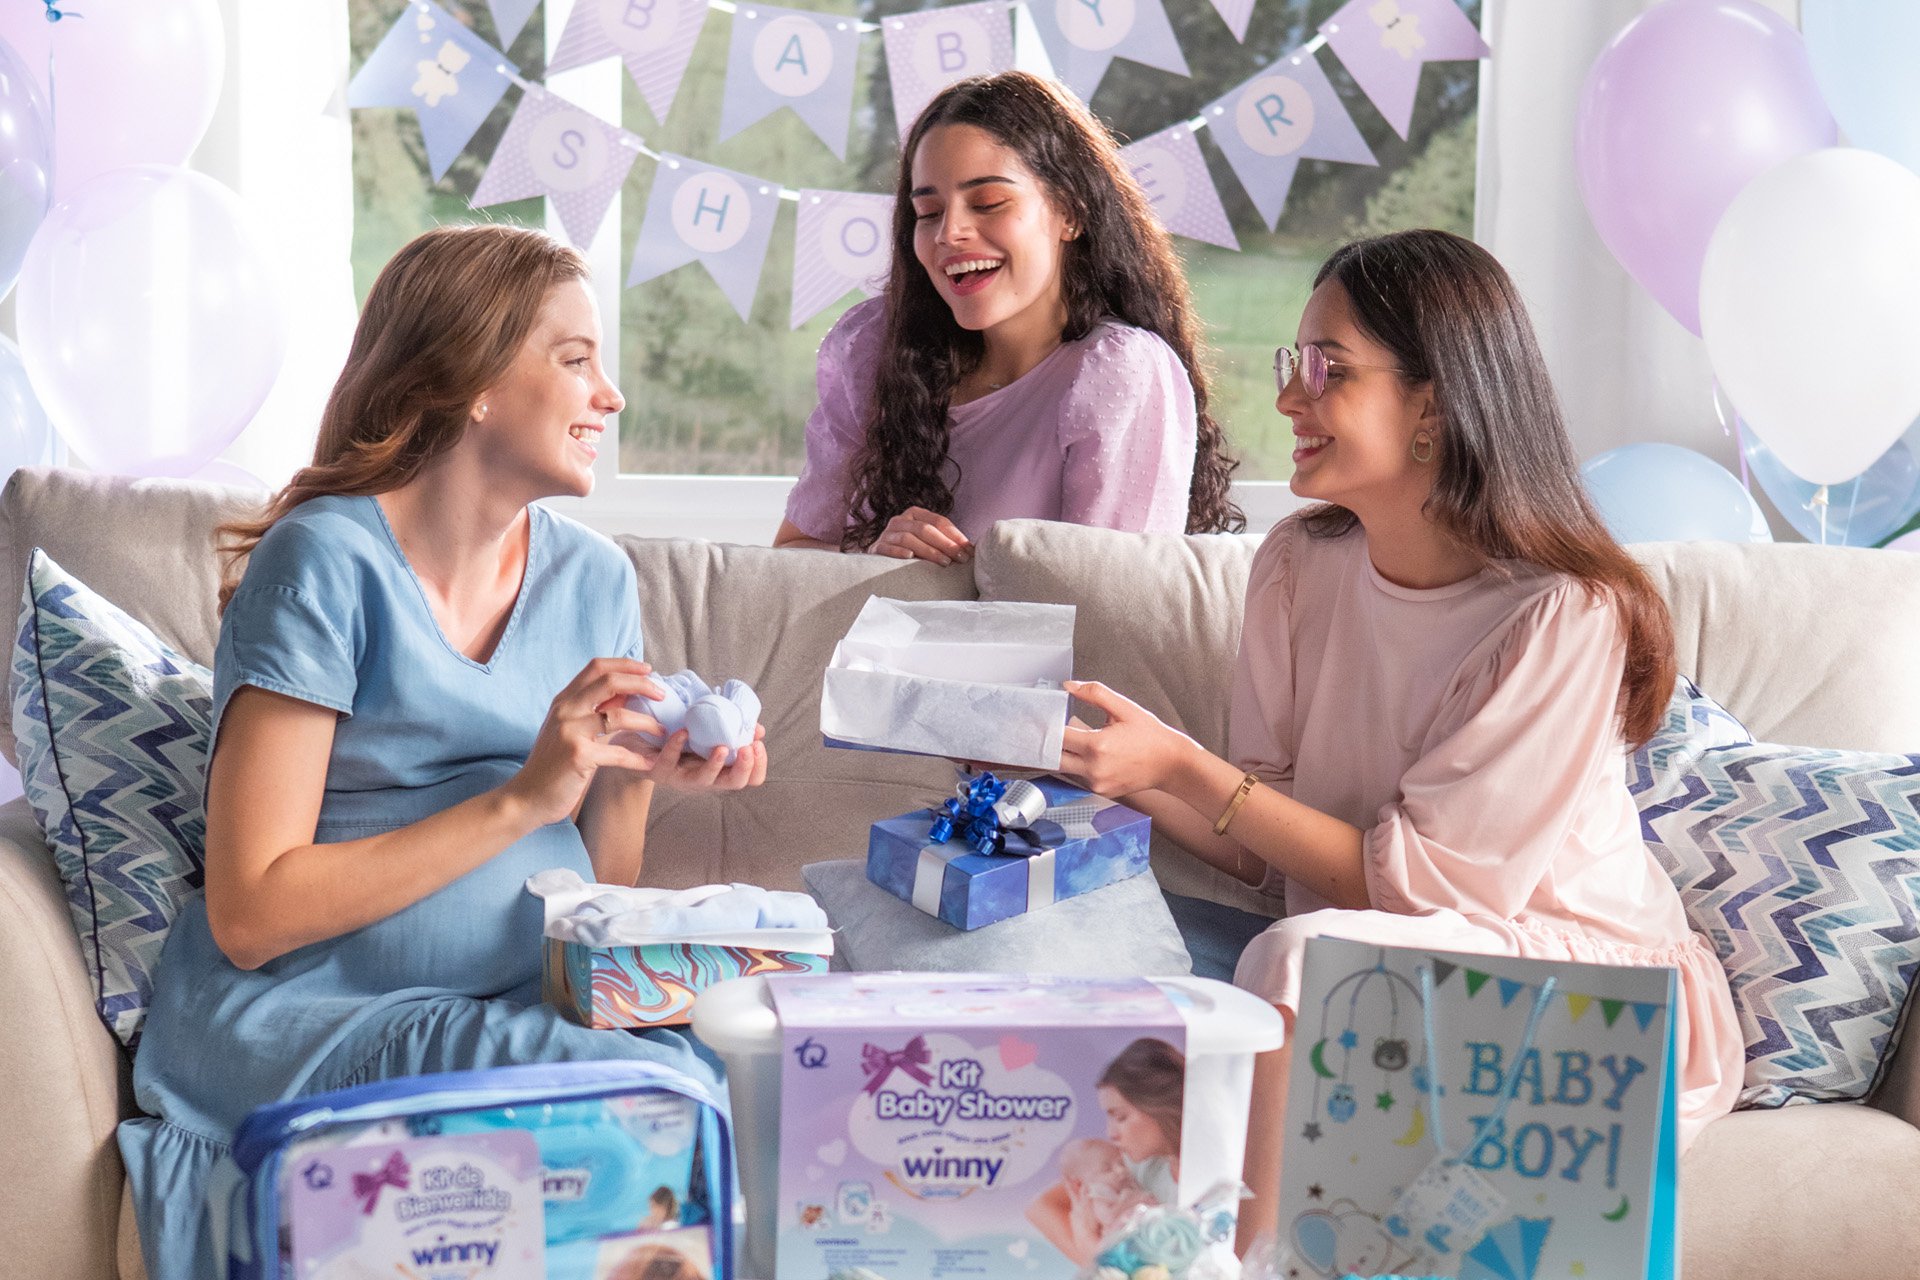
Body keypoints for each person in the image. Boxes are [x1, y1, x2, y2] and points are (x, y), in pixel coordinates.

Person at [1051, 230, 1743, 1247]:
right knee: (1092, 946)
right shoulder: (1295, 564)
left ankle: (1254, 1262)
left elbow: (1429, 885)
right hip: (1366, 949)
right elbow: (1258, 844)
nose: (1289, 396)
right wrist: (1116, 764)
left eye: (1325, 366)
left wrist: (1189, 766)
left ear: (1435, 404)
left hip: (1584, 988)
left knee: (1296, 955)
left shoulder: (1563, 613)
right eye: (1295, 363)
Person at [117, 224, 767, 1279]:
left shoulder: (596, 580)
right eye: (576, 359)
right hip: (319, 1014)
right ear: (471, 378)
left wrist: (638, 776)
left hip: (516, 998)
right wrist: (521, 799)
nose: (612, 395)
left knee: (745, 1072)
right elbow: (249, 911)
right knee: (644, 1108)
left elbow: (596, 887)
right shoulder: (324, 561)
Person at [774, 71, 1241, 563]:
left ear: (1070, 212)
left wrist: (937, 584)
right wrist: (873, 557)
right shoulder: (872, 349)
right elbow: (792, 554)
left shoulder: (1120, 372)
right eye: (928, 212)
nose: (949, 233)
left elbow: (1109, 612)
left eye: (988, 203)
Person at [1028, 1037, 1185, 1265]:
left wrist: (1092, 1249)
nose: (1110, 1133)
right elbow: (1040, 1208)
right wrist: (1094, 1256)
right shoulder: (1132, 1165)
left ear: (1160, 1107)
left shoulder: (1206, 1180)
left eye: (1120, 1117)